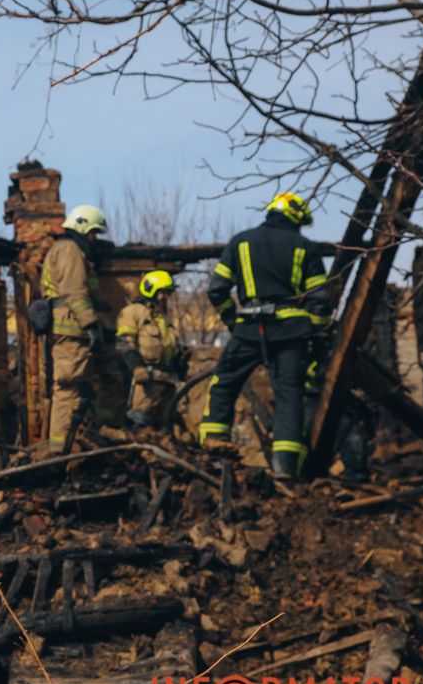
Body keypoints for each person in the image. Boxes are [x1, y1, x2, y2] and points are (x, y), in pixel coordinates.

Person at [200, 192, 332, 479]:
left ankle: (214, 450)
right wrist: (316, 332)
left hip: (248, 329)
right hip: (291, 334)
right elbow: (320, 301)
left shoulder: (240, 241)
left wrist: (233, 321)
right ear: (295, 217)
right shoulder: (305, 247)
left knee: (223, 384)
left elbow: (216, 289)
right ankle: (285, 468)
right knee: (289, 396)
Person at [42, 204, 108, 453]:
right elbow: (74, 291)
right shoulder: (70, 250)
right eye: (93, 233)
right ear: (82, 228)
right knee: (68, 390)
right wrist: (90, 324)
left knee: (77, 390)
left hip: (71, 332)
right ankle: (58, 453)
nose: (94, 239)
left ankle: (65, 448)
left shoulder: (66, 249)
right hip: (72, 332)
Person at [116, 270, 188, 429]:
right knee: (140, 421)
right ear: (151, 290)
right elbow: (124, 343)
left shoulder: (163, 318)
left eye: (168, 293)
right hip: (146, 381)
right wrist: (137, 367)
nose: (165, 297)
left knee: (165, 426)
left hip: (168, 381)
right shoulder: (133, 312)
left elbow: (171, 348)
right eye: (163, 293)